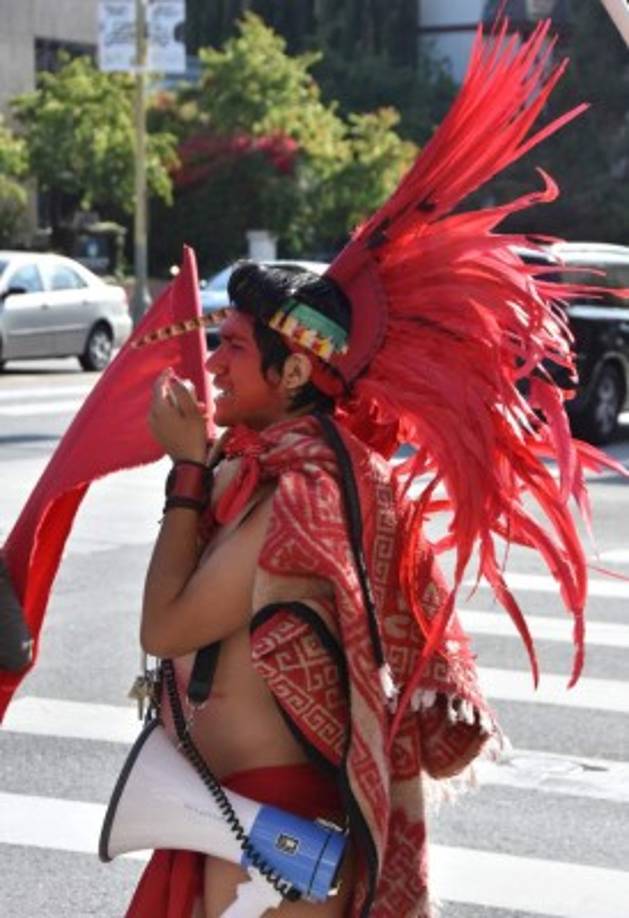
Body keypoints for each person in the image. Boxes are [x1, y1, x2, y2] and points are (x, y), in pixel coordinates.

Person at [124, 17, 621, 918]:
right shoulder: (274, 469)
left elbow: (165, 628)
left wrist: (186, 473)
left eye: (232, 345)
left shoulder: (299, 491)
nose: (214, 361)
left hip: (274, 828)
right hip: (242, 815)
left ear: (295, 372)